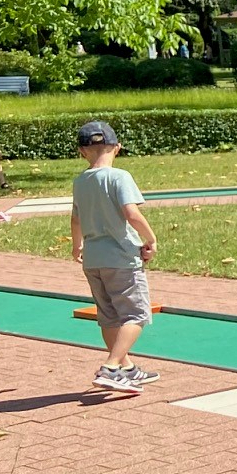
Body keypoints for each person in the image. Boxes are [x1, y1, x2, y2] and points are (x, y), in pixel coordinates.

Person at [69, 121, 160, 394]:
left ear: (82, 151)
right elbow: (131, 213)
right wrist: (151, 239)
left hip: (93, 258)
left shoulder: (80, 181)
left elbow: (76, 219)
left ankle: (127, 369)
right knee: (137, 315)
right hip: (121, 257)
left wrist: (77, 246)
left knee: (108, 316)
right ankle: (109, 368)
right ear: (116, 148)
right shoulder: (119, 177)